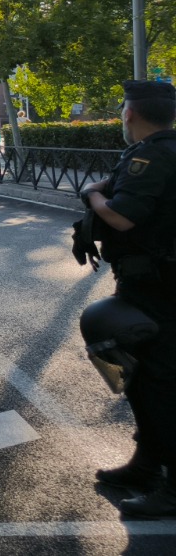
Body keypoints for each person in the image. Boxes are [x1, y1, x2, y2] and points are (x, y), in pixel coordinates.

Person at [82, 80, 176, 517]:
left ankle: (171, 487)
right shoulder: (162, 151)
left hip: (158, 289)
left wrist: (95, 197)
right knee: (142, 377)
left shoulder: (150, 156)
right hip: (156, 284)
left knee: (160, 381)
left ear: (130, 114)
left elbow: (120, 217)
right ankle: (146, 463)